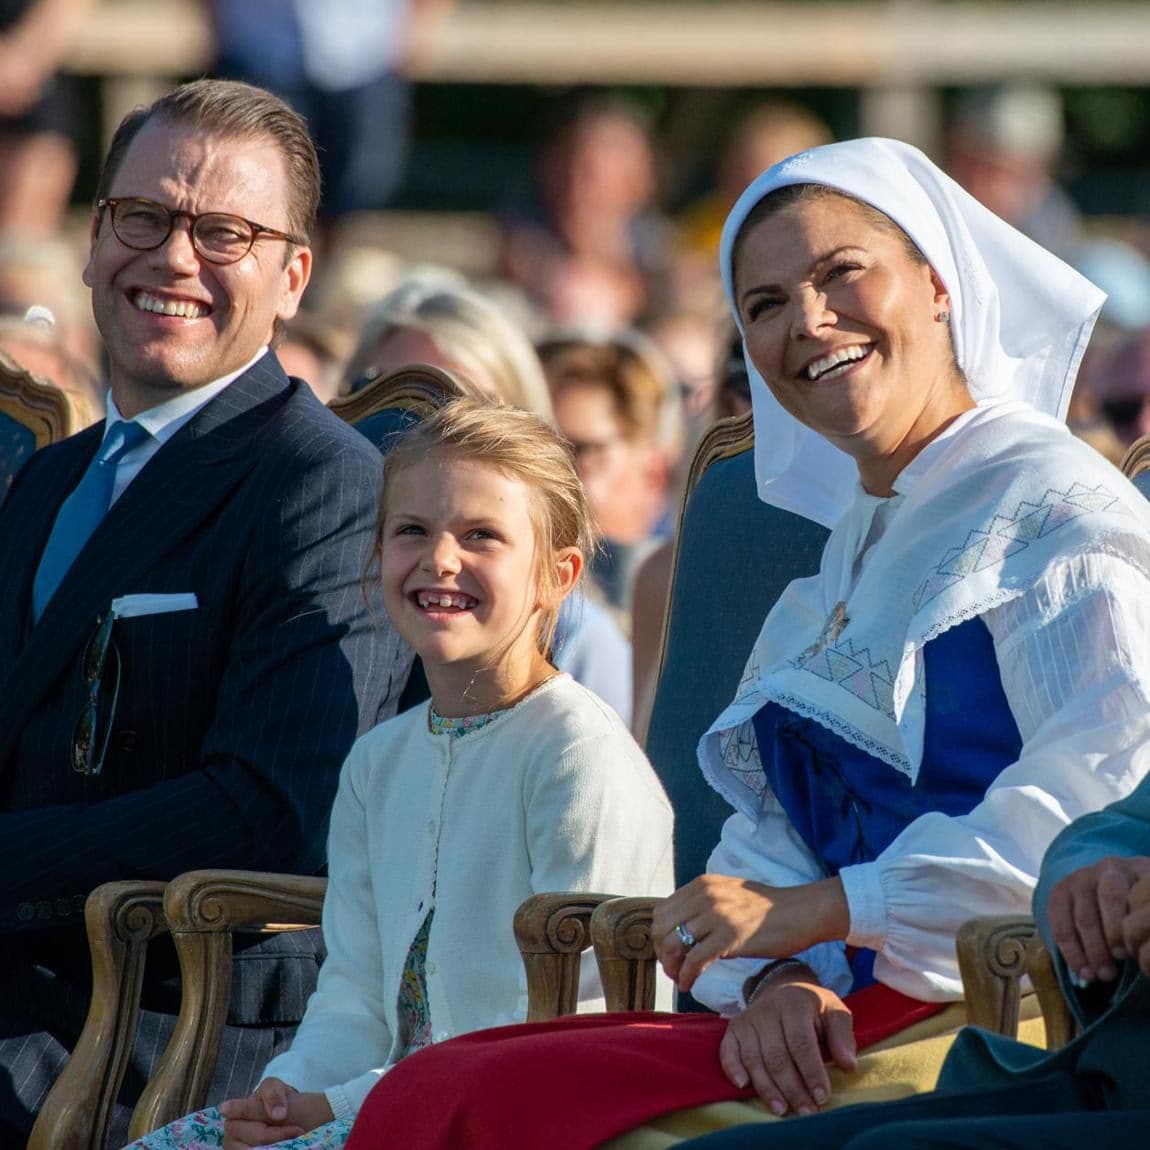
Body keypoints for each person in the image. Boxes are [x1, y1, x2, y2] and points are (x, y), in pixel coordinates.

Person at [340, 137, 1150, 1150]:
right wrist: (778, 977)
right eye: (764, 305)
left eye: (839, 272)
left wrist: (822, 913)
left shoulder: (1056, 512)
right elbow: (759, 853)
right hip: (825, 1022)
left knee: (476, 1106)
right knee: (432, 1085)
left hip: (985, 1022)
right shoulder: (833, 571)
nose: (806, 320)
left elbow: (1088, 813)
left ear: (938, 284)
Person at [0, 79, 412, 1146]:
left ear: (292, 278)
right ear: (94, 242)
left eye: (224, 231)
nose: (174, 257)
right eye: (144, 216)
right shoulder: (45, 483)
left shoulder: (323, 486)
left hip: (156, 1014)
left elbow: (269, 807)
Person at [124, 397, 675, 1150]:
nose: (441, 559)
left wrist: (345, 1106)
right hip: (386, 1106)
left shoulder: (574, 754)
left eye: (482, 536)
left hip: (525, 1115)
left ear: (557, 574)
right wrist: (293, 1092)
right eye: (412, 531)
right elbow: (353, 989)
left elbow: (556, 1024)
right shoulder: (377, 763)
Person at [678, 773, 1150, 1149]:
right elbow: (1106, 835)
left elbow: (1067, 799)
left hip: (962, 997)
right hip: (1110, 1078)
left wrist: (835, 906)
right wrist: (780, 970)